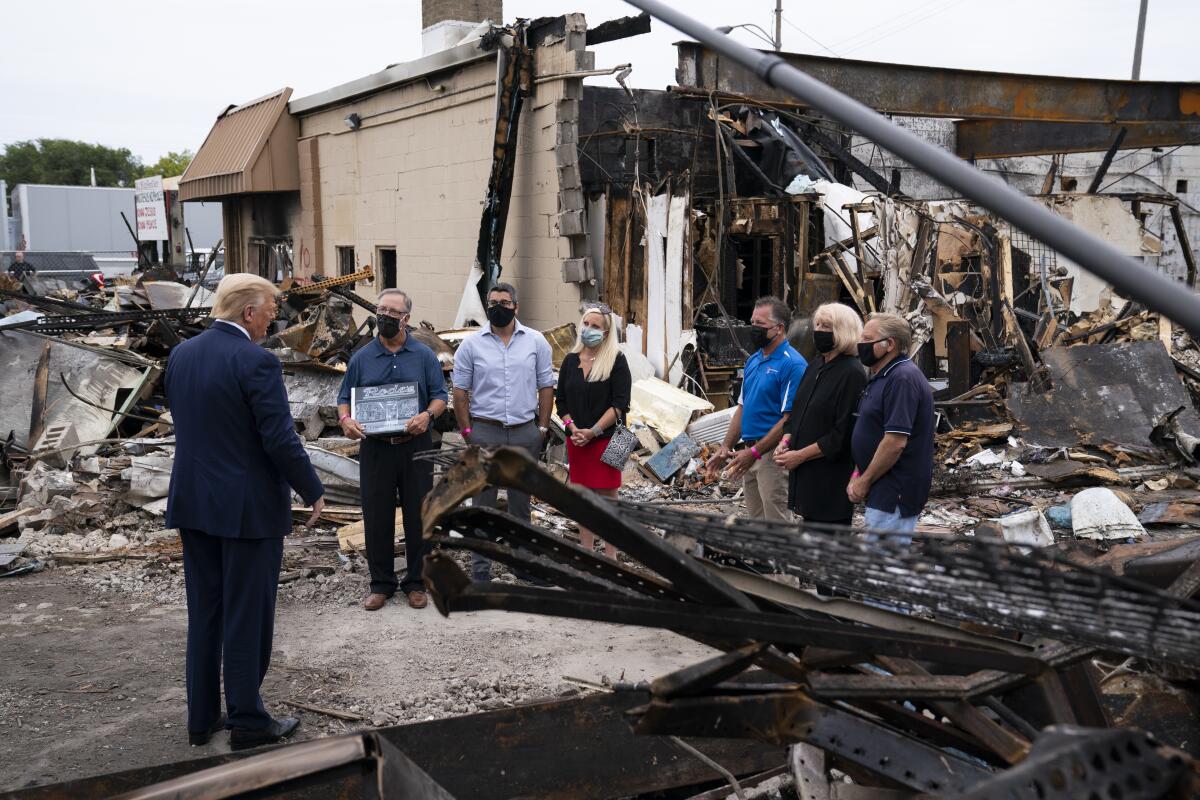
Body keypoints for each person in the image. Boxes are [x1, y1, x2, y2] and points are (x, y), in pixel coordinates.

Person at [165, 273, 325, 751]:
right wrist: (311, 488)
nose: (276, 315)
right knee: (246, 615)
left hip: (194, 502)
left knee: (206, 613)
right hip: (247, 509)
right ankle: (248, 721)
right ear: (248, 313)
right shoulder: (256, 362)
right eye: (272, 307)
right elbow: (278, 438)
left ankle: (201, 719)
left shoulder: (181, 355)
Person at [337, 289, 447, 612]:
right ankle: (381, 583)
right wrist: (345, 419)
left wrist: (427, 415)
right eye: (380, 309)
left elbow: (440, 396)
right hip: (376, 448)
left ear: (406, 319)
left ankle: (416, 583)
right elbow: (344, 398)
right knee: (377, 515)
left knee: (419, 515)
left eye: (391, 311)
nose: (383, 315)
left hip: (415, 446)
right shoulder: (361, 358)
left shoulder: (424, 356)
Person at [451, 281, 555, 581]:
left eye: (504, 303)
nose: (498, 307)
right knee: (483, 504)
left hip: (525, 433)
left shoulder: (536, 342)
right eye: (493, 302)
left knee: (520, 506)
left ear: (516, 307)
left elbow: (546, 386)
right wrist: (468, 431)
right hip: (485, 432)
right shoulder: (471, 345)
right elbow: (460, 391)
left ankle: (522, 566)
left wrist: (542, 428)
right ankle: (481, 572)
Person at [704, 296, 807, 521]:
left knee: (777, 526)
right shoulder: (753, 361)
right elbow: (742, 407)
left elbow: (788, 419)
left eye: (760, 325)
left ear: (779, 328)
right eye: (752, 322)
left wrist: (755, 452)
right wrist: (726, 445)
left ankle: (781, 559)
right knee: (757, 524)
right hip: (750, 452)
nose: (753, 329)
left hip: (772, 456)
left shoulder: (793, 364)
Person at [775, 303, 868, 528]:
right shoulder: (816, 365)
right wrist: (786, 440)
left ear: (843, 330)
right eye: (817, 324)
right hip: (807, 477)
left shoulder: (852, 373)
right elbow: (797, 413)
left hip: (829, 479)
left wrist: (800, 456)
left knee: (826, 546)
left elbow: (841, 435)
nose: (818, 330)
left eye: (826, 326)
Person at [847, 312, 935, 543]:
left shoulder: (902, 379)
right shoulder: (882, 376)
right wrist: (858, 473)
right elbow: (871, 430)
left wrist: (864, 481)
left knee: (883, 566)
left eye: (867, 339)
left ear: (889, 344)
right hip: (880, 484)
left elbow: (895, 442)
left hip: (895, 487)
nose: (861, 344)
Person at [555, 304, 632, 558]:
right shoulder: (570, 361)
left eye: (596, 326)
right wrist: (573, 428)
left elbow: (621, 404)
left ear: (607, 332)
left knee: (610, 499)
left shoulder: (617, 361)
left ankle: (612, 557)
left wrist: (594, 431)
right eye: (586, 324)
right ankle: (587, 552)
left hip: (610, 439)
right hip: (577, 440)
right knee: (583, 498)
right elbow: (561, 401)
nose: (589, 330)